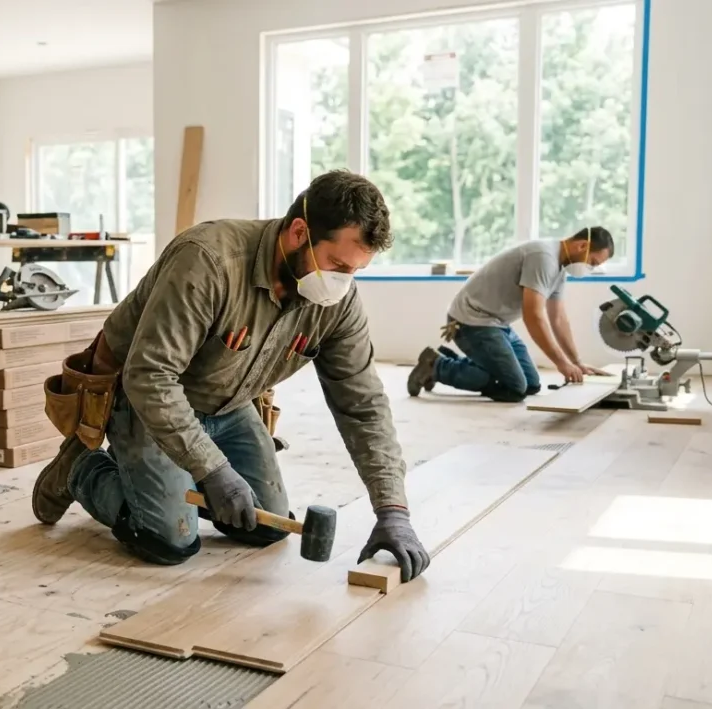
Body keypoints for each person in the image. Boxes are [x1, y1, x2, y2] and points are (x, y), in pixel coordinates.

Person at [31, 170, 431, 583]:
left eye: (353, 271)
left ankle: (153, 473)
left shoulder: (337, 302)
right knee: (168, 539)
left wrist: (393, 512)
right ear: (299, 232)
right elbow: (150, 376)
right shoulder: (208, 260)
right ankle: (83, 468)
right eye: (336, 264)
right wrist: (212, 469)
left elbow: (362, 405)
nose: (341, 283)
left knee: (264, 525)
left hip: (228, 405)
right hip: (145, 400)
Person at [407, 227, 614, 402]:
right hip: (471, 321)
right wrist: (562, 363)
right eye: (592, 262)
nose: (589, 268)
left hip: (497, 324)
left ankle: (454, 362)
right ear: (582, 246)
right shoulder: (543, 258)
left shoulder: (559, 269)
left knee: (531, 385)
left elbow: (558, 318)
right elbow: (534, 316)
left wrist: (576, 362)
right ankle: (436, 366)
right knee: (515, 388)